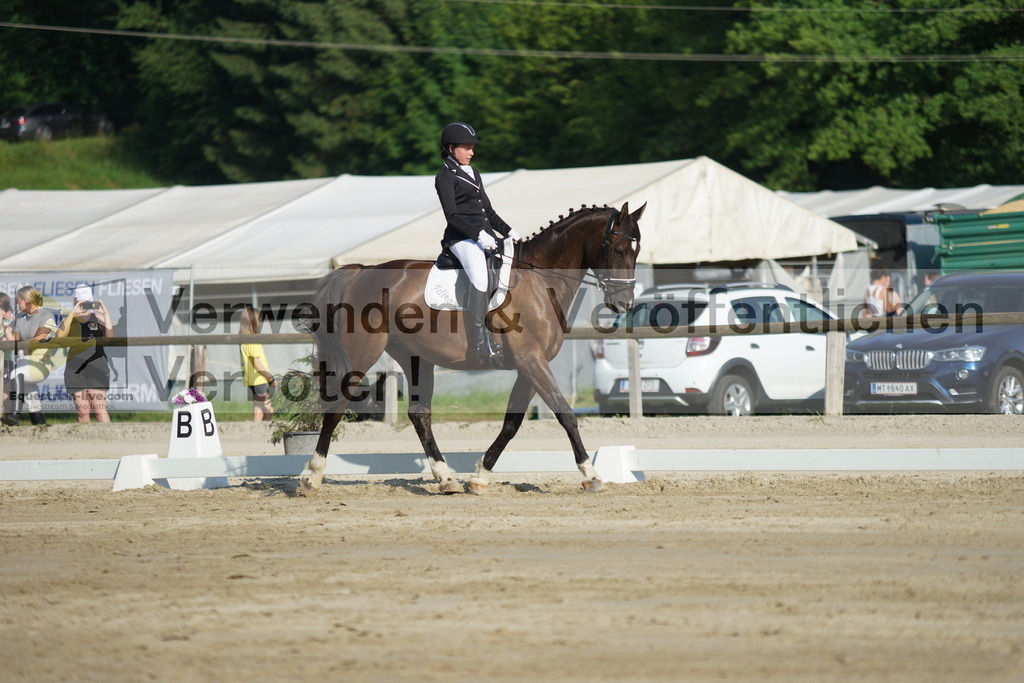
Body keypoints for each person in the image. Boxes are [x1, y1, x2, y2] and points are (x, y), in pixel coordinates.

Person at [434, 122, 521, 365]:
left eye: (472, 148)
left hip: (485, 237)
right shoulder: (444, 176)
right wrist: (478, 234)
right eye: (467, 148)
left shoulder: (474, 173)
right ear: (451, 148)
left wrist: (509, 231)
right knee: (480, 278)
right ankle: (479, 341)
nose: (472, 152)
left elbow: (488, 211)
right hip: (461, 238)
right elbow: (452, 216)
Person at [2, 286, 59, 426]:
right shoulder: (21, 317)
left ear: (26, 301)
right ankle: (40, 425)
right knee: (30, 395)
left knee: (16, 374)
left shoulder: (46, 315)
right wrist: (6, 328)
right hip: (24, 361)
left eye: (18, 301)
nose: (16, 304)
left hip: (40, 362)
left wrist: (19, 340)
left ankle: (15, 416)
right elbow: (15, 342)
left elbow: (36, 341)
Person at [56, 284, 113, 423]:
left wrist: (106, 314)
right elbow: (59, 337)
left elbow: (110, 338)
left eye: (87, 302)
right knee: (82, 411)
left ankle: (110, 441)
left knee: (99, 409)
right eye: (82, 302)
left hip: (97, 365)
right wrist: (73, 313)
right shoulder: (69, 319)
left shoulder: (98, 317)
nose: (85, 305)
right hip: (75, 367)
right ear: (75, 300)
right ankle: (85, 443)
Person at [239, 305, 275, 422]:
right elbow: (257, 363)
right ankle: (257, 430)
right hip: (259, 378)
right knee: (263, 409)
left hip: (253, 379)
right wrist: (270, 378)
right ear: (253, 321)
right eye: (259, 321)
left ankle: (260, 430)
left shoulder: (243, 338)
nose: (260, 324)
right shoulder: (252, 339)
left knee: (263, 407)